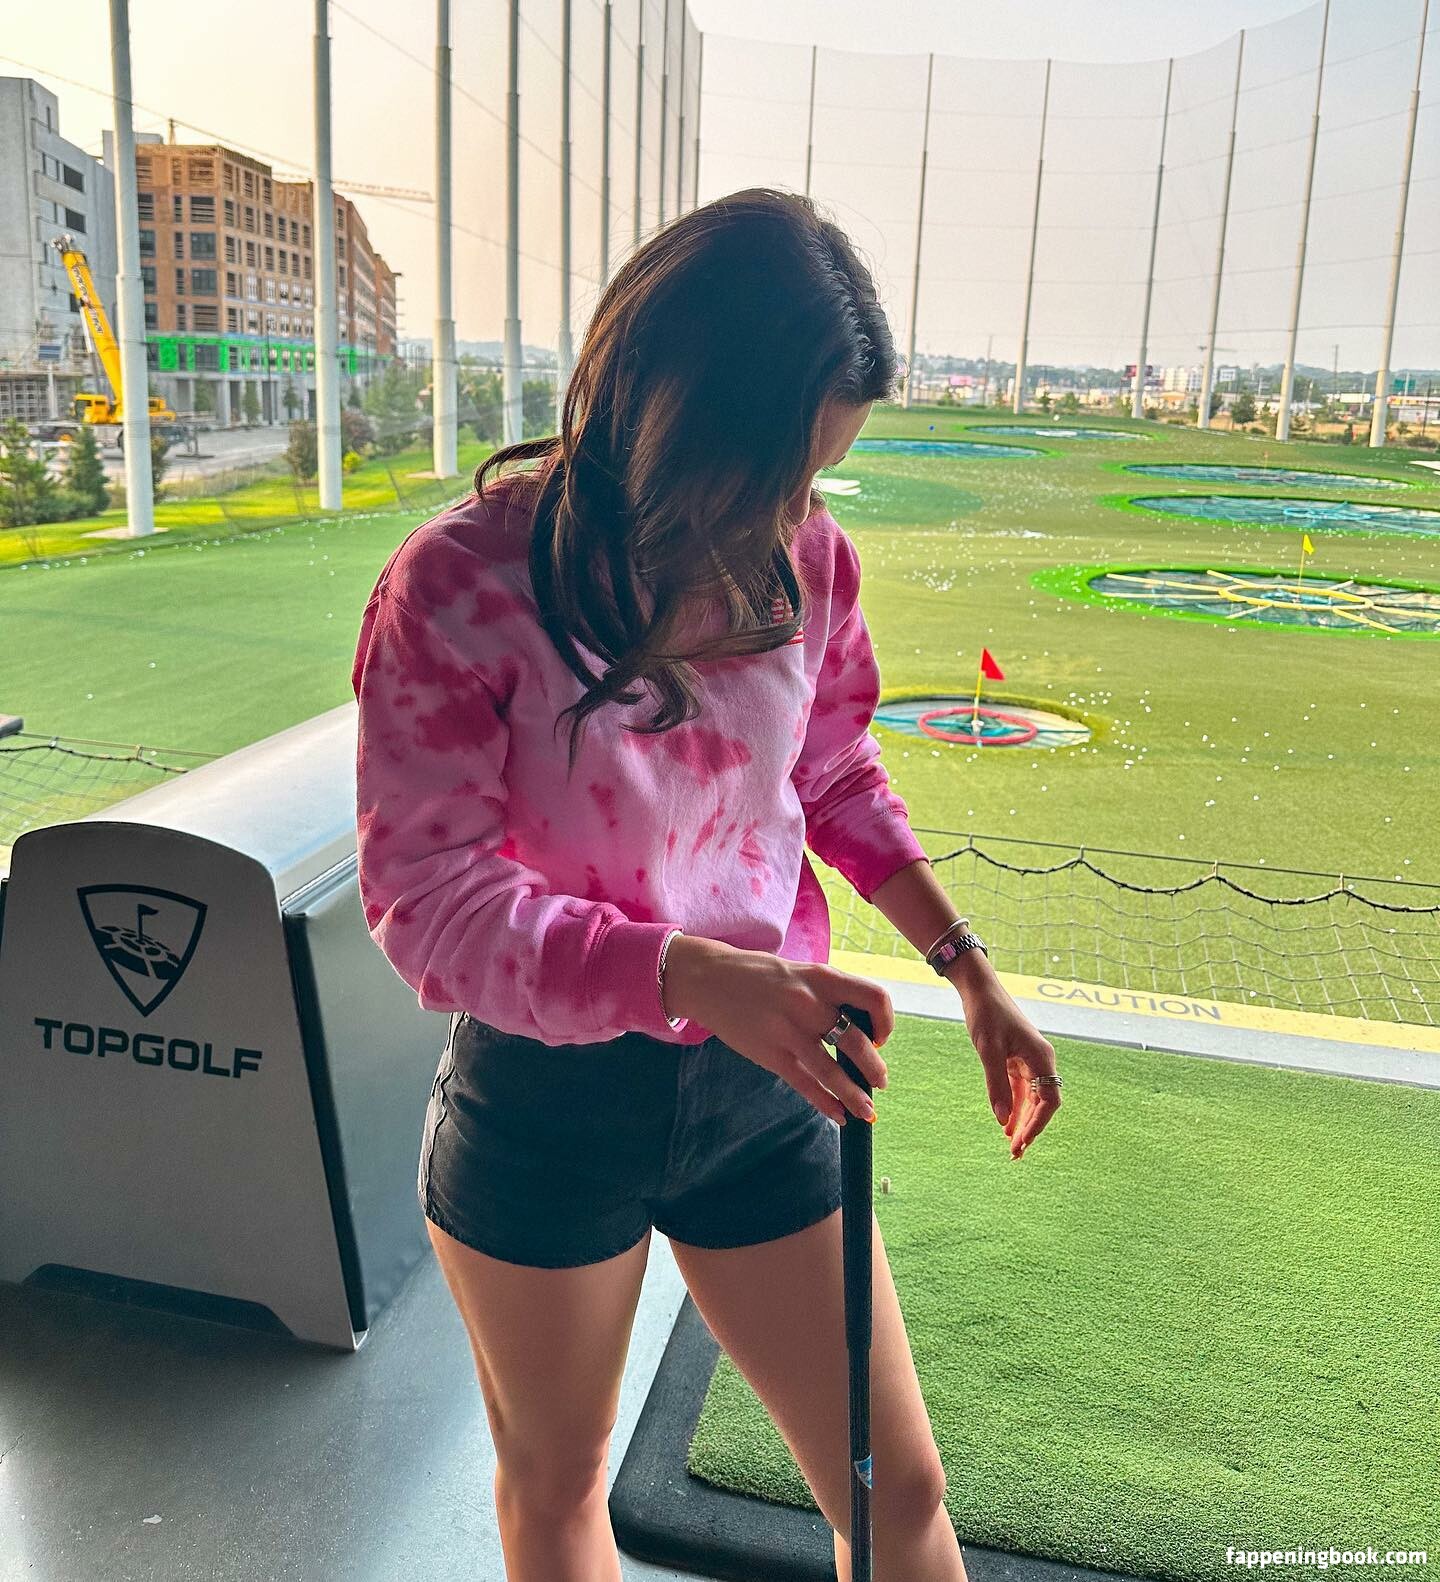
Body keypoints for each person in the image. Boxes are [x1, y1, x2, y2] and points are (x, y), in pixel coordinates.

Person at [350, 187, 1061, 1582]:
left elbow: (832, 767)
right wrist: (684, 972)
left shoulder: (809, 559)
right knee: (559, 1487)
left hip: (764, 1077)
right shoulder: (459, 583)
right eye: (774, 473)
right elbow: (427, 902)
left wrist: (968, 967)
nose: (795, 514)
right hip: (546, 1098)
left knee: (898, 1488)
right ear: (672, 418)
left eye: (819, 476)